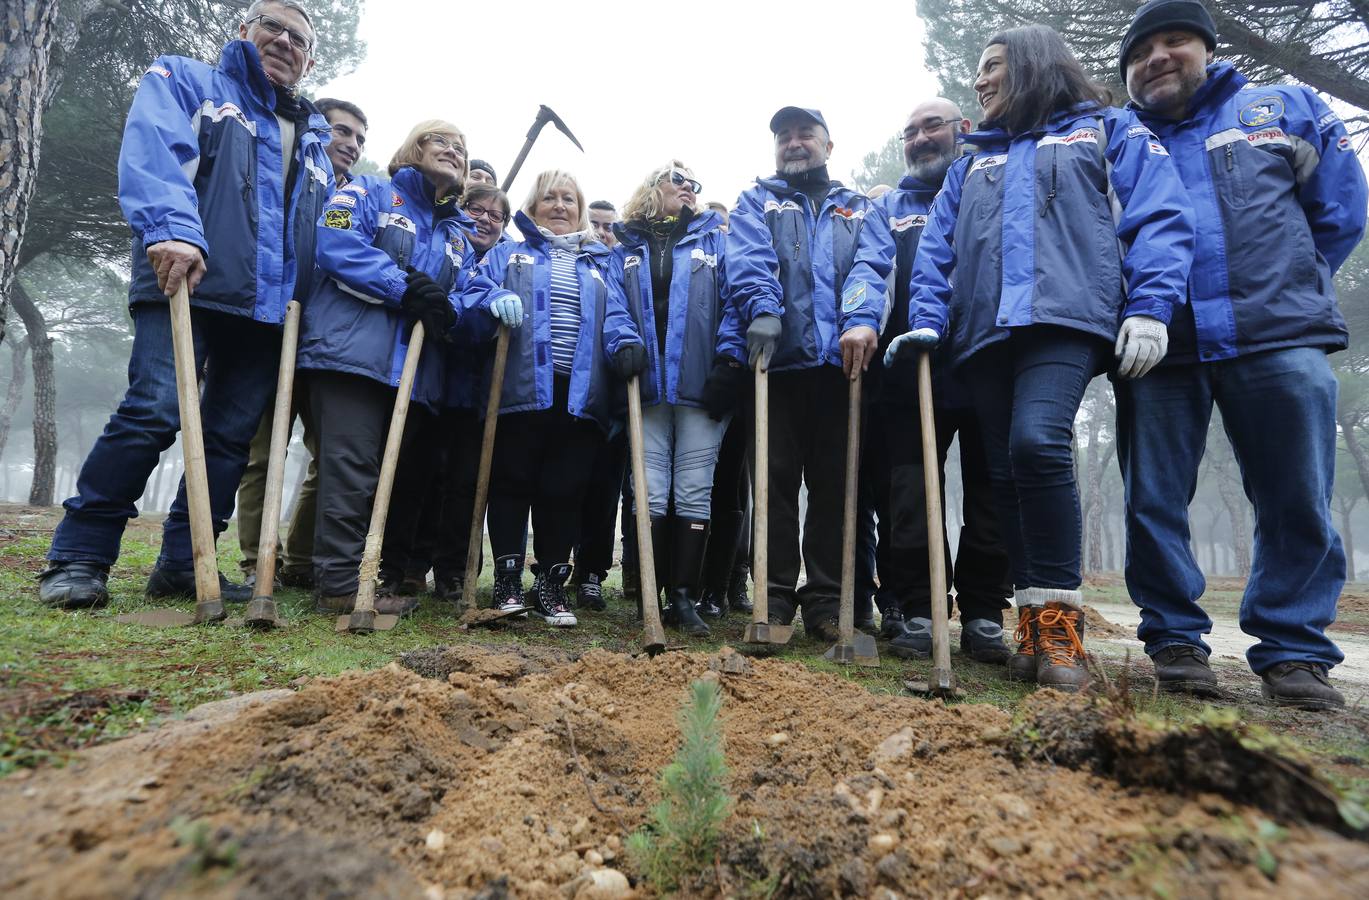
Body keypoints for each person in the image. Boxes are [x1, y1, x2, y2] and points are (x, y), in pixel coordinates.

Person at [886, 24, 1195, 691]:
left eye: (991, 65)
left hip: (1064, 321)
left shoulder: (1106, 131)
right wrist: (928, 323)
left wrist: (1151, 306)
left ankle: (1061, 630)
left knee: (1037, 444)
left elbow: (1159, 215)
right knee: (1004, 475)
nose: (979, 80)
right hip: (982, 335)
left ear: (1031, 64)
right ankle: (1031, 626)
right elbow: (937, 252)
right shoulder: (972, 162)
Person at [38, 0, 333, 609]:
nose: (285, 41)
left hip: (268, 312)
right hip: (186, 277)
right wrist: (172, 229)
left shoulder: (314, 141)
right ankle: (80, 555)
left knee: (228, 439)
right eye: (273, 27)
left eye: (299, 39)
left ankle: (183, 563)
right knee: (154, 410)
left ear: (309, 61)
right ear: (243, 31)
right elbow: (156, 152)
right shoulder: (187, 80)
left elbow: (319, 233)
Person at [1116, 0, 1367, 709]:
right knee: (1152, 499)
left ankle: (1293, 650)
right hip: (1160, 343)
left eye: (1174, 41)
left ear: (1208, 48)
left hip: (1279, 334)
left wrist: (1294, 278)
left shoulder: (1282, 108)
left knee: (1295, 495)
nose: (1157, 58)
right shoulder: (1119, 136)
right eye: (1139, 54)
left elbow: (1340, 210)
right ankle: (1173, 639)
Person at [296, 119, 521, 616]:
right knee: (352, 470)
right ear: (413, 148)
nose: (453, 151)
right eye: (441, 141)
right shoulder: (368, 191)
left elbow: (465, 294)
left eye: (461, 147)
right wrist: (403, 286)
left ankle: (365, 578)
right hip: (352, 357)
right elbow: (335, 244)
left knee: (385, 478)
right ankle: (338, 585)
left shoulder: (456, 236)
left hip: (414, 375)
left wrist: (471, 307)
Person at [726, 106, 895, 642]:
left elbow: (872, 265)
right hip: (775, 368)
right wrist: (763, 308)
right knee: (772, 486)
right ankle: (773, 599)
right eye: (784, 135)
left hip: (842, 369)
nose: (793, 142)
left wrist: (861, 319)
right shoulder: (757, 200)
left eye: (805, 134)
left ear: (828, 145)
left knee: (836, 490)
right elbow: (749, 258)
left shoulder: (858, 208)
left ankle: (826, 603)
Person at [870, 99, 1013, 663]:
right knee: (910, 495)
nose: (921, 138)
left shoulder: (993, 182)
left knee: (991, 491)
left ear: (964, 130)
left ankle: (983, 613)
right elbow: (870, 272)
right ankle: (920, 609)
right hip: (912, 372)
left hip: (987, 361)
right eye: (910, 132)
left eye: (933, 126)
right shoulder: (889, 209)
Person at [477, 170, 645, 626]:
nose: (559, 206)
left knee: (565, 489)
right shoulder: (509, 253)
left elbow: (617, 316)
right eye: (549, 198)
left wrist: (627, 342)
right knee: (512, 482)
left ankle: (550, 586)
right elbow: (474, 288)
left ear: (580, 210)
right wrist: (492, 296)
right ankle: (507, 582)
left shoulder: (600, 264)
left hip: (581, 394)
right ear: (532, 207)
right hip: (520, 389)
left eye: (569, 199)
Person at [235, 95, 368, 591]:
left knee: (330, 455)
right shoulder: (288, 177)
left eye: (360, 138)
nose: (352, 144)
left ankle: (301, 559)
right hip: (273, 332)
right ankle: (256, 561)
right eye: (342, 131)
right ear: (316, 130)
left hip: (328, 347)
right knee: (263, 452)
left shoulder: (356, 200)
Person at [614, 161, 739, 636]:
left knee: (693, 487)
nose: (689, 188)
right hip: (645, 385)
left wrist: (729, 362)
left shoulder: (716, 242)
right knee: (648, 488)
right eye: (678, 179)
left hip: (701, 385)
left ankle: (683, 597)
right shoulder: (626, 247)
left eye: (694, 183)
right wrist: (622, 340)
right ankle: (651, 593)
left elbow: (735, 302)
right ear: (652, 187)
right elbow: (615, 307)